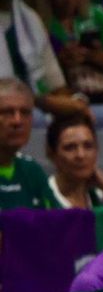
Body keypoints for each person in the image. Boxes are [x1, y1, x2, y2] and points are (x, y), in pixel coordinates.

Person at [0, 0, 90, 124]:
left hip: (34, 112)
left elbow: (56, 86)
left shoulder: (29, 18)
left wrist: (74, 102)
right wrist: (47, 103)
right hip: (16, 115)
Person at [0, 77, 48, 209]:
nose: (17, 121)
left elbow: (58, 220)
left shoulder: (32, 171)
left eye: (25, 113)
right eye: (7, 112)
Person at [44, 112, 103, 209]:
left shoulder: (102, 197)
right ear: (51, 154)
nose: (81, 155)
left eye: (88, 146)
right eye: (70, 147)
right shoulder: (42, 198)